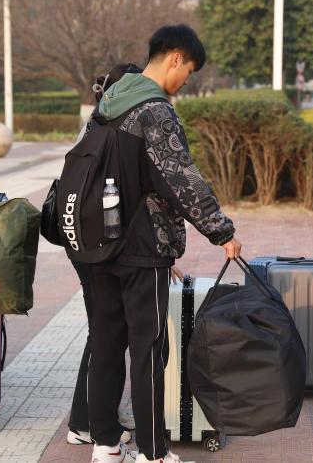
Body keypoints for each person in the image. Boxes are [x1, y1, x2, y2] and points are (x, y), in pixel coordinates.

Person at [88, 25, 242, 463]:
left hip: (100, 243)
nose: (187, 80)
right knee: (148, 350)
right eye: (189, 71)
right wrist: (221, 231)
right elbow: (181, 180)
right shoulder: (154, 109)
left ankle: (105, 444)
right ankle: (153, 453)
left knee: (106, 345)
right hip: (142, 246)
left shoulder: (108, 103)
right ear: (175, 58)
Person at [65, 62, 143, 448]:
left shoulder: (96, 123)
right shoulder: (117, 126)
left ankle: (97, 416)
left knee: (105, 331)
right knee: (104, 333)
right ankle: (86, 423)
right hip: (99, 246)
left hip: (85, 241)